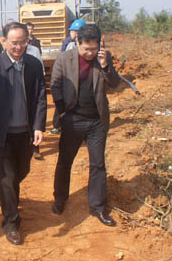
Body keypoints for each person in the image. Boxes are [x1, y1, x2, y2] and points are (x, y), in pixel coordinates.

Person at [0, 22, 46, 245]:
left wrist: (39, 125)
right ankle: (11, 223)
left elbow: (40, 96)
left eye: (23, 42)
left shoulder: (33, 65)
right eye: (14, 43)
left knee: (22, 171)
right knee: (8, 178)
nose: (18, 47)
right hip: (0, 134)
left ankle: (3, 189)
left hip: (25, 132)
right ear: (4, 41)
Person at [50, 24, 120, 227]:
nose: (90, 53)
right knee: (65, 161)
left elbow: (115, 84)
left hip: (96, 121)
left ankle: (97, 206)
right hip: (73, 119)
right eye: (86, 49)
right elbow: (55, 85)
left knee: (98, 164)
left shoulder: (103, 57)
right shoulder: (65, 59)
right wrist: (62, 112)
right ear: (77, 42)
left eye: (94, 49)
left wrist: (105, 65)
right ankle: (60, 198)